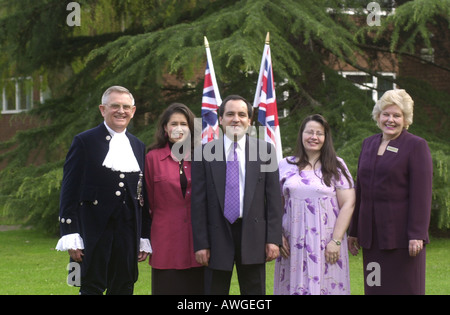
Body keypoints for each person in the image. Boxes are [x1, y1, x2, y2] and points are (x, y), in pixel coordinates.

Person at [56, 86, 151, 295]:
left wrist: (144, 235)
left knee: (125, 285)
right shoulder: (84, 141)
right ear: (102, 109)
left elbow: (141, 195)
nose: (121, 111)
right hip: (93, 231)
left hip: (128, 232)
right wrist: (70, 233)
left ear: (133, 111)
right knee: (90, 285)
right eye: (115, 106)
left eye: (126, 107)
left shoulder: (138, 145)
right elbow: (69, 191)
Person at [191, 95, 282, 295]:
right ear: (220, 119)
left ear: (249, 121)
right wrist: (201, 244)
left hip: (254, 235)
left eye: (242, 115)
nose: (236, 119)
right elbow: (198, 203)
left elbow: (274, 199)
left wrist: (273, 239)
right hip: (216, 235)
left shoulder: (265, 151)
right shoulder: (203, 153)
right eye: (230, 114)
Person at [348, 89, 433, 295]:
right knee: (375, 287)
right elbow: (361, 189)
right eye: (386, 114)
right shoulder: (368, 144)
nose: (390, 120)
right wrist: (354, 231)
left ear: (406, 119)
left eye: (397, 115)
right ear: (378, 116)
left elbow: (421, 194)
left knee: (404, 290)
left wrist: (417, 234)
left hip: (402, 240)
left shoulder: (416, 146)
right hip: (372, 239)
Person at [273, 114, 355, 295]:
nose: (314, 137)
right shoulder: (285, 165)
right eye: (309, 132)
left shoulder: (336, 165)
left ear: (326, 138)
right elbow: (275, 205)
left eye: (319, 133)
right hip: (292, 244)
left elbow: (348, 203)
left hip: (327, 244)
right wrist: (277, 235)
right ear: (301, 134)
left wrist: (336, 240)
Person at [144, 103, 204, 295]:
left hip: (198, 243)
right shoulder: (152, 158)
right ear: (165, 128)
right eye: (174, 123)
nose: (179, 128)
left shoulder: (202, 158)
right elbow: (148, 202)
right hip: (165, 242)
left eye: (184, 124)